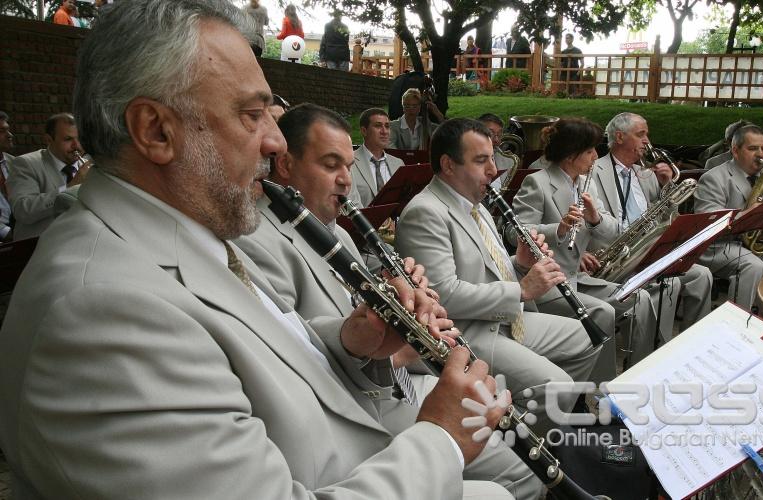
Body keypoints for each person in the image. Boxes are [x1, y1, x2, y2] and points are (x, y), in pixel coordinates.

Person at [0, 2, 511, 499]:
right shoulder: (104, 312)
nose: (275, 142)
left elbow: (265, 349)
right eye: (251, 114)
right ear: (156, 131)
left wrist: (354, 342)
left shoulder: (183, 231)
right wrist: (441, 440)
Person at [234, 103, 543, 499]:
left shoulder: (336, 235)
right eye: (331, 165)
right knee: (519, 468)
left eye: (348, 165)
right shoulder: (258, 243)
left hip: (396, 382)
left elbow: (358, 313)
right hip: (359, 405)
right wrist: (396, 349)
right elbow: (302, 363)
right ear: (286, 165)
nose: (347, 180)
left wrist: (407, 300)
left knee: (517, 436)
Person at [396, 118, 602, 434]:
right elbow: (443, 295)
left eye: (492, 158)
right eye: (481, 161)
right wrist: (520, 290)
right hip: (466, 332)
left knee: (588, 337)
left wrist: (519, 262)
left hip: (501, 320)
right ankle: (520, 443)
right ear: (448, 165)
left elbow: (485, 269)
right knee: (556, 384)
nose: (494, 170)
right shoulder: (426, 212)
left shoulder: (474, 204)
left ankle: (527, 411)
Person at [511, 118, 658, 377]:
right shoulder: (538, 182)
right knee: (602, 312)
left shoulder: (583, 183)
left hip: (576, 277)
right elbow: (515, 232)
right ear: (571, 155)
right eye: (590, 151)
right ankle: (602, 387)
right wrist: (558, 228)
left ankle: (639, 373)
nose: (596, 156)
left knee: (639, 298)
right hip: (546, 282)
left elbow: (613, 231)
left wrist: (595, 218)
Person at [588, 112, 713, 336]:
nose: (647, 141)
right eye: (641, 134)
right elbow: (595, 220)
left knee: (702, 275)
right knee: (666, 285)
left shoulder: (645, 173)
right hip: (617, 255)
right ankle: (656, 345)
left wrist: (666, 186)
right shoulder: (594, 170)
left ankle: (693, 339)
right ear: (619, 137)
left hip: (649, 250)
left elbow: (666, 218)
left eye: (647, 134)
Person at [693, 124, 763, 308]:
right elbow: (708, 223)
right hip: (723, 246)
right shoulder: (715, 177)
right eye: (753, 148)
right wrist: (748, 214)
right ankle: (737, 326)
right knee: (753, 267)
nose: (761, 154)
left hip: (761, 248)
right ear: (735, 151)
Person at [6, 113, 90, 240]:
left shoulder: (91, 165)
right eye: (68, 139)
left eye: (79, 139)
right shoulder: (25, 164)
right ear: (48, 140)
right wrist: (70, 188)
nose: (76, 146)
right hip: (37, 248)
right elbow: (23, 210)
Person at [352, 108, 403, 206]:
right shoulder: (349, 162)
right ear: (364, 131)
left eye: (387, 126)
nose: (384, 131)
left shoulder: (398, 163)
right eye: (378, 126)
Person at [478, 113, 516, 191]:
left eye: (499, 134)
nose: (496, 140)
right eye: (490, 133)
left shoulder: (509, 161)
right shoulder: (465, 163)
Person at [0, 111, 14, 241]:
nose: (10, 135)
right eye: (2, 131)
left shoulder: (15, 163)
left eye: (8, 130)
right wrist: (6, 233)